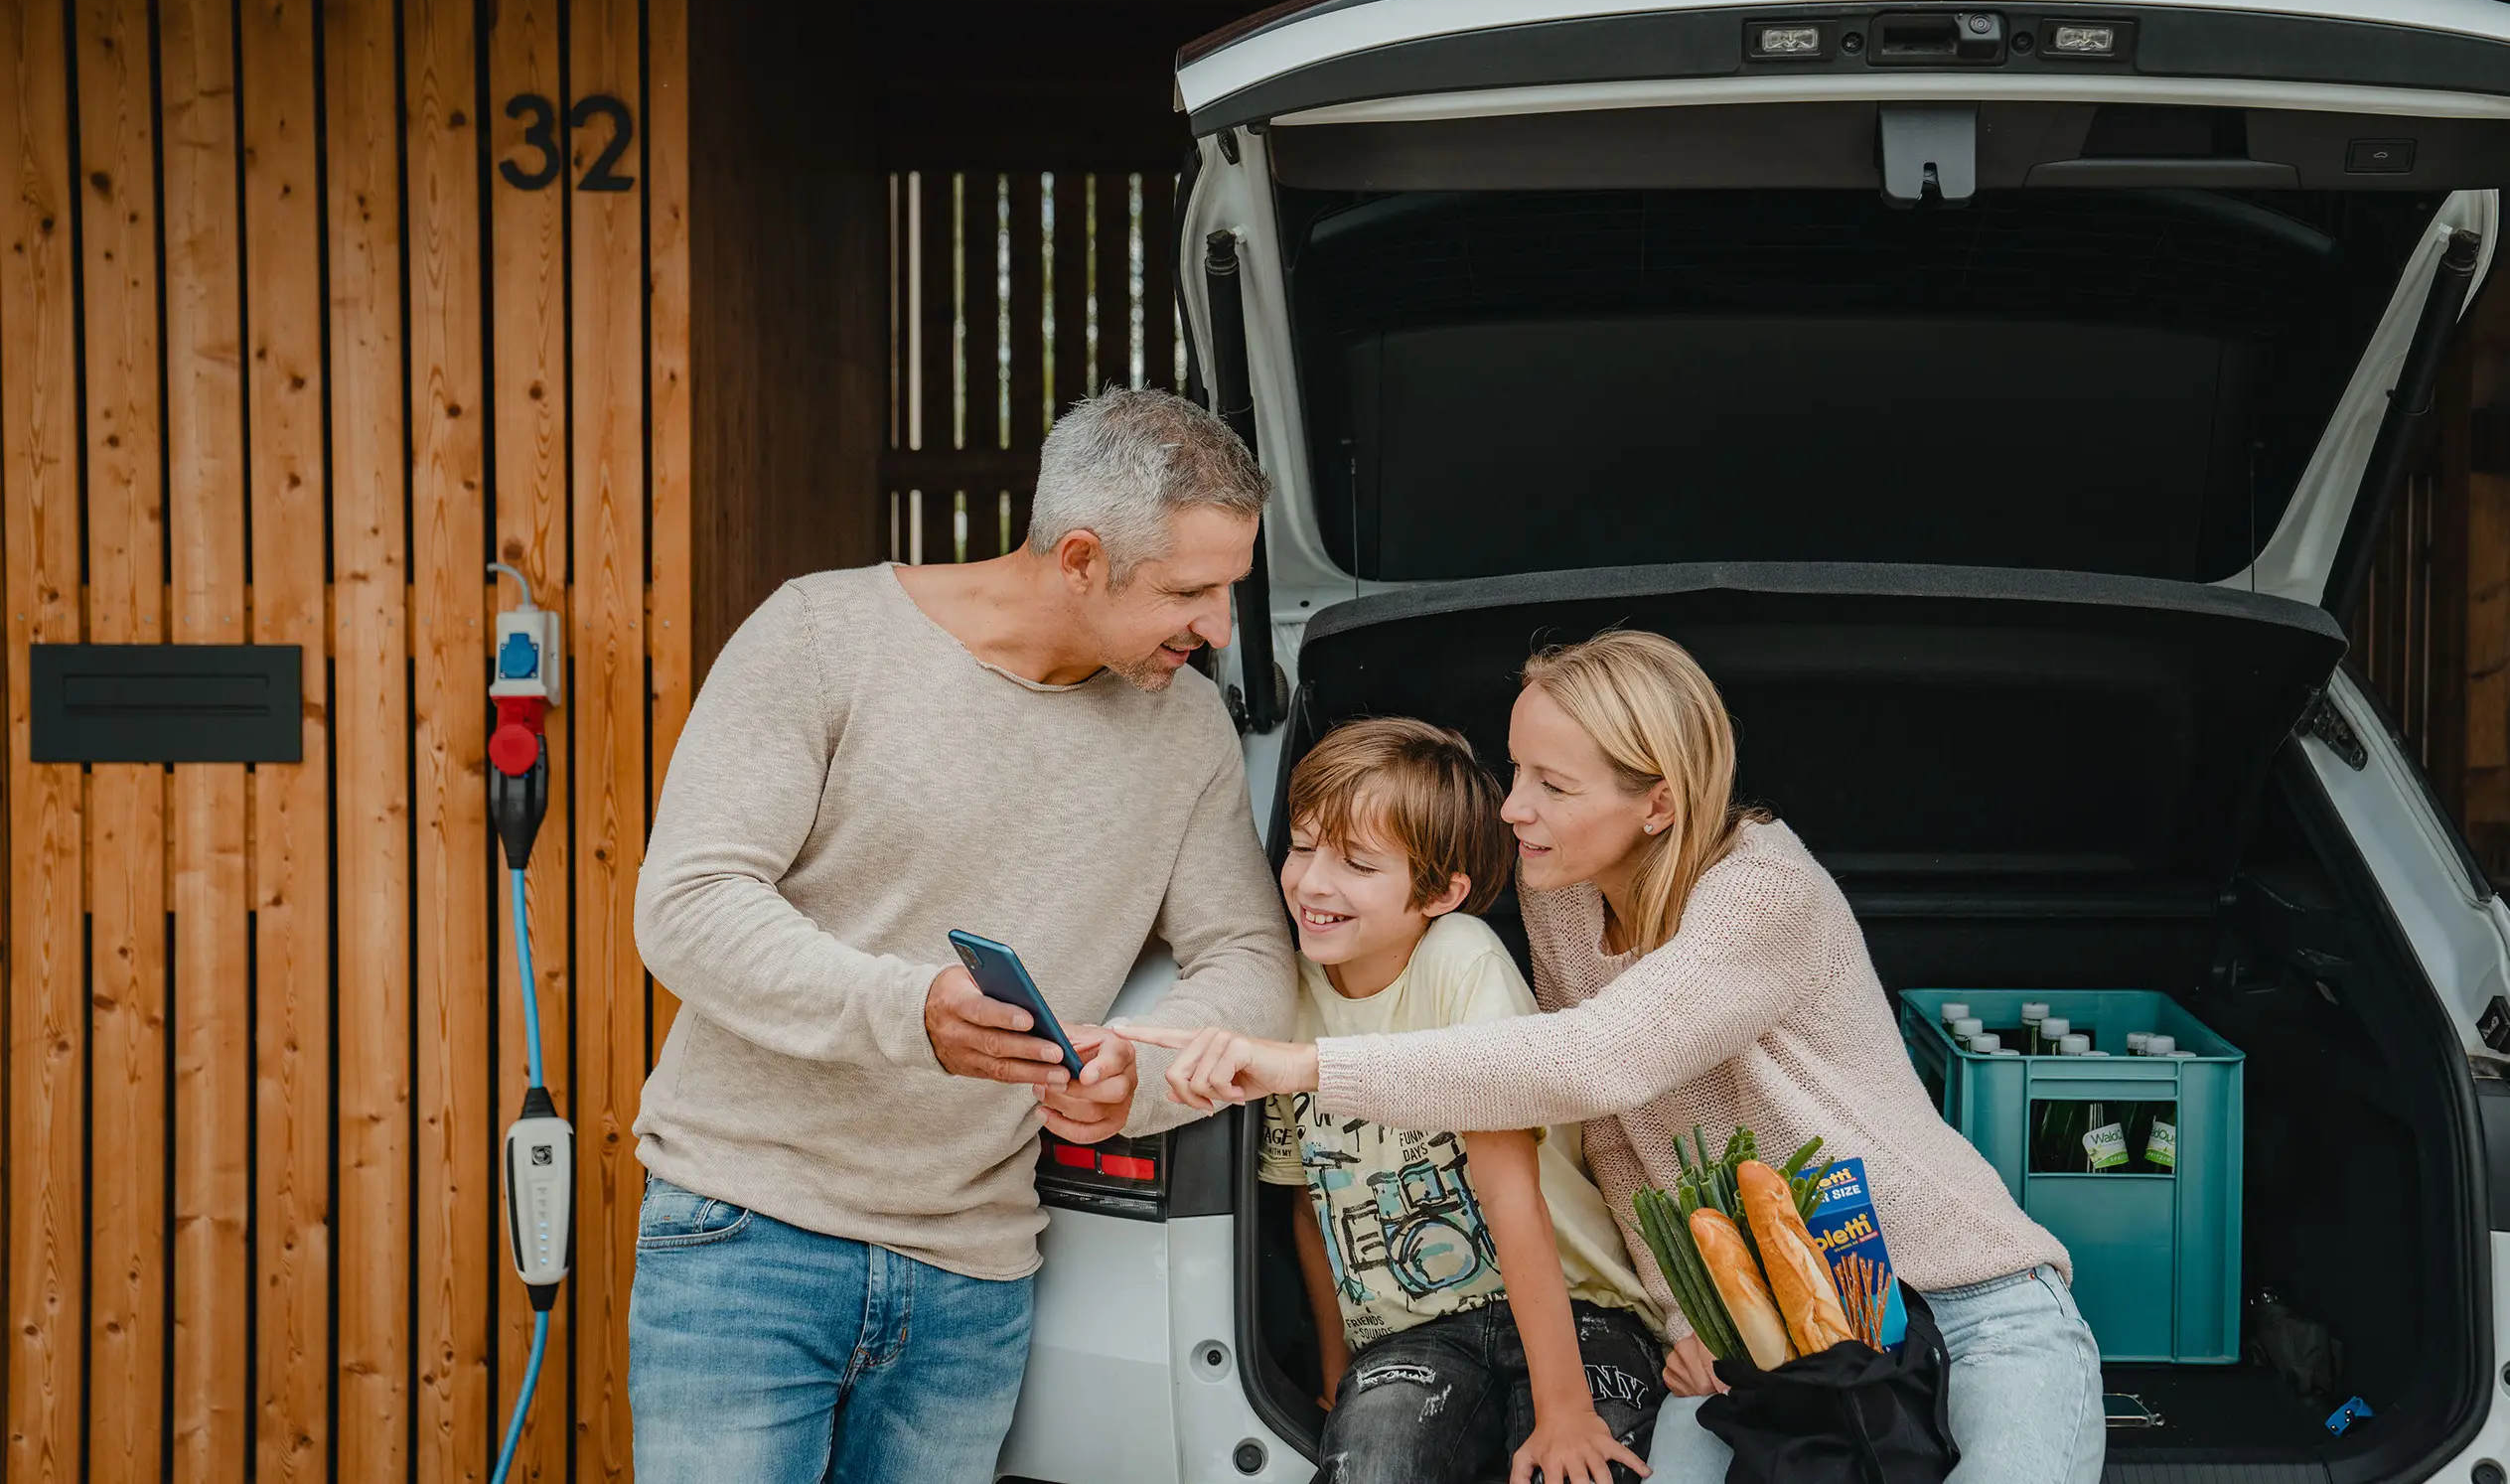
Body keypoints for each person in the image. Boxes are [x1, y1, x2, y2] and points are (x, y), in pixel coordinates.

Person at [1131, 629, 2107, 1484]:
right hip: (1756, 1327)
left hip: (1961, 1302)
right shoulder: (1562, 890)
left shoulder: (1763, 895)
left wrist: (1301, 1067)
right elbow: (1621, 1145)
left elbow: (1594, 1065)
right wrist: (1686, 1322)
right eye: (1517, 771)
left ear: (1659, 805)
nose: (1514, 810)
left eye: (1552, 787)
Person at [629, 387, 1296, 1483]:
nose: (1218, 627)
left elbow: (1251, 965)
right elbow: (690, 905)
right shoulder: (819, 636)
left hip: (973, 1276)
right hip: (747, 1236)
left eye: (1229, 587)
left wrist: (1142, 1075)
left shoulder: (1185, 730)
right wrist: (910, 1012)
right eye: (1191, 590)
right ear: (1079, 558)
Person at [1264, 717, 1666, 1484]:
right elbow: (1308, 1205)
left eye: (1356, 862)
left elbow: (1509, 1191)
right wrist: (1334, 1368)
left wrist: (1564, 1410)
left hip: (1573, 1308)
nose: (1313, 882)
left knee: (1584, 1468)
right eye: (1302, 844)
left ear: (1441, 892)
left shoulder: (1459, 959)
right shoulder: (1285, 993)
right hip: (1408, 1335)